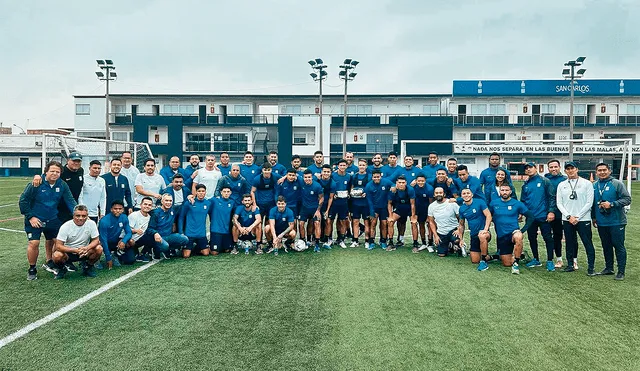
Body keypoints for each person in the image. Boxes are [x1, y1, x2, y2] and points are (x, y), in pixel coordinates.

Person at [19, 161, 77, 280]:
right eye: (52, 171)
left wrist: (78, 214)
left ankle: (54, 262)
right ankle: (32, 269)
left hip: (52, 218)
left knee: (59, 243)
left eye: (57, 172)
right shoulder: (37, 183)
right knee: (34, 243)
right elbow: (23, 201)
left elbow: (70, 201)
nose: (55, 174)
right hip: (35, 218)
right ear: (46, 172)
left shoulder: (62, 185)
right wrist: (31, 217)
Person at [592, 163, 631, 280]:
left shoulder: (616, 183)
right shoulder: (594, 185)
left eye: (604, 170)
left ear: (609, 171)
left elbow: (627, 199)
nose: (602, 172)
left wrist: (612, 204)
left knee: (618, 246)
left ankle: (621, 271)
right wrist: (594, 217)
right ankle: (609, 268)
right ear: (596, 172)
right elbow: (593, 204)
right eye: (599, 170)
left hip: (616, 221)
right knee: (606, 245)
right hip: (601, 222)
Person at [556, 161, 596, 274]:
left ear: (577, 169)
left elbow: (589, 202)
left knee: (587, 242)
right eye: (568, 169)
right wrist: (569, 216)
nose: (570, 171)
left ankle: (591, 267)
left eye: (572, 168)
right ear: (565, 171)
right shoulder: (561, 185)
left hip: (583, 219)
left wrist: (578, 216)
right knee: (569, 242)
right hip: (567, 219)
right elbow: (559, 203)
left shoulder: (587, 183)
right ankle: (570, 265)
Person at [520, 162, 557, 271]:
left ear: (536, 168)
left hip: (543, 216)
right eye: (526, 168)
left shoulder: (544, 181)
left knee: (548, 238)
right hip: (531, 217)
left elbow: (551, 197)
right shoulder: (525, 184)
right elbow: (523, 201)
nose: (528, 170)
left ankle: (550, 260)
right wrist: (522, 213)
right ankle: (536, 259)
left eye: (530, 167)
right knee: (532, 238)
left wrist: (551, 211)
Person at [490, 184, 534, 274]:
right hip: (502, 236)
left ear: (510, 191)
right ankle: (521, 255)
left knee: (518, 236)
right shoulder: (494, 203)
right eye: (502, 190)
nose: (504, 192)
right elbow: (488, 216)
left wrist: (522, 230)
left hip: (513, 233)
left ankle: (516, 264)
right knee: (507, 263)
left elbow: (531, 217)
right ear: (499, 192)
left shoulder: (517, 204)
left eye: (507, 190)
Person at [52, 205, 102, 279]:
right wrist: (75, 250)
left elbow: (96, 240)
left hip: (84, 251)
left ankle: (88, 267)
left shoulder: (91, 224)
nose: (81, 218)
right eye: (78, 216)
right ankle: (62, 269)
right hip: (68, 252)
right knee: (57, 256)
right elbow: (58, 246)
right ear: (73, 215)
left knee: (99, 249)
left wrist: (87, 248)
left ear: (87, 216)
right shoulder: (65, 226)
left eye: (83, 216)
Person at [33, 152, 84, 223]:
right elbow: (47, 176)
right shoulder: (61, 171)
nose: (76, 163)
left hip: (72, 205)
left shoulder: (81, 170)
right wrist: (37, 176)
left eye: (78, 161)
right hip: (59, 208)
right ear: (68, 160)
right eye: (74, 161)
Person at [458, 188, 492, 271]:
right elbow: (461, 225)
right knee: (474, 260)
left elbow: (488, 215)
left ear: (472, 194)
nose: (466, 195)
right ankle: (490, 257)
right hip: (473, 235)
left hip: (484, 233)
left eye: (468, 193)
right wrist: (461, 239)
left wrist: (485, 229)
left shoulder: (480, 202)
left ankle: (484, 262)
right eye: (464, 194)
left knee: (482, 236)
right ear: (461, 196)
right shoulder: (462, 209)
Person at [147, 193, 188, 259]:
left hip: (169, 236)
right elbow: (149, 228)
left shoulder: (173, 210)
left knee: (184, 239)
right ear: (162, 201)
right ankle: (155, 249)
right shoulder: (156, 213)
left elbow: (183, 205)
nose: (168, 202)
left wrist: (189, 197)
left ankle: (167, 249)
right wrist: (155, 233)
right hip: (159, 237)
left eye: (170, 201)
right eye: (166, 200)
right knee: (165, 246)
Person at [545, 159, 567, 268]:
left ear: (559, 167)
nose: (553, 169)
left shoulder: (564, 180)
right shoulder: (545, 179)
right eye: (551, 167)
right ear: (548, 168)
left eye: (555, 167)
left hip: (560, 213)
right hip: (547, 212)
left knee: (558, 236)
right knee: (549, 237)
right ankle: (551, 259)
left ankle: (561, 259)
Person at [178, 184, 211, 258]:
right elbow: (181, 217)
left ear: (205, 192)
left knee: (206, 253)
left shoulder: (208, 203)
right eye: (199, 191)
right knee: (186, 255)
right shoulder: (189, 203)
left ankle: (195, 247)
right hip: (190, 233)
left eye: (203, 191)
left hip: (201, 233)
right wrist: (181, 232)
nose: (201, 193)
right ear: (195, 192)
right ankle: (188, 247)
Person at [98, 200, 134, 268]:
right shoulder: (104, 221)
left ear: (123, 209)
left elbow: (129, 233)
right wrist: (108, 258)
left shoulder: (124, 217)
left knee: (130, 259)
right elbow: (103, 240)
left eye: (120, 209)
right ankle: (96, 260)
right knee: (99, 244)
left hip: (115, 242)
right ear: (111, 209)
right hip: (104, 242)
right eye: (115, 209)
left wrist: (123, 241)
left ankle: (115, 255)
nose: (117, 211)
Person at [428, 187, 462, 257]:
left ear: (444, 194)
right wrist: (436, 235)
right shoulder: (431, 206)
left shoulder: (452, 203)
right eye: (436, 193)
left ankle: (457, 244)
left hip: (453, 230)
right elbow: (431, 222)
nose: (438, 194)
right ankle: (449, 245)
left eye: (440, 193)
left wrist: (459, 229)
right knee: (441, 254)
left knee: (456, 240)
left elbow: (461, 218)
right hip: (441, 232)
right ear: (434, 195)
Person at [365, 169, 394, 250]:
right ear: (372, 177)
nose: (376, 178)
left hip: (384, 207)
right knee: (373, 223)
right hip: (374, 208)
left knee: (384, 224)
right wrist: (372, 212)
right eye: (374, 177)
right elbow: (369, 200)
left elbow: (393, 185)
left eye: (378, 177)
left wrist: (393, 187)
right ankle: (371, 242)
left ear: (381, 176)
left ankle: (383, 241)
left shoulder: (386, 182)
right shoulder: (368, 186)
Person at [387, 176, 418, 251]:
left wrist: (413, 216)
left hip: (409, 209)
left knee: (414, 223)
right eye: (399, 182)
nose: (401, 184)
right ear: (396, 183)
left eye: (403, 183)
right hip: (399, 209)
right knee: (390, 222)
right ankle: (391, 243)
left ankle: (415, 244)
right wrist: (390, 216)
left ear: (406, 183)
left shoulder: (410, 190)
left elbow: (412, 204)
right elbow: (389, 203)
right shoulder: (393, 190)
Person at [298, 170, 324, 252]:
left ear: (312, 177)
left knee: (317, 223)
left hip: (314, 209)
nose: (307, 179)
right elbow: (293, 174)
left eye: (309, 177)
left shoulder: (317, 186)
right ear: (303, 178)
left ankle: (317, 243)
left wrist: (318, 210)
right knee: (301, 224)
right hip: (304, 208)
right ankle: (303, 241)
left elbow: (321, 198)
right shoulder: (301, 182)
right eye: (305, 177)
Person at [330, 160, 352, 248]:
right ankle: (329, 239)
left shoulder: (349, 176)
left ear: (346, 166)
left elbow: (350, 186)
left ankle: (341, 239)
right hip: (334, 202)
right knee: (330, 221)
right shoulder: (333, 175)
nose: (342, 167)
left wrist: (349, 193)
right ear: (338, 166)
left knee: (342, 220)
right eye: (341, 165)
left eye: (344, 165)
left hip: (344, 202)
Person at [350, 159, 370, 248]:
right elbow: (352, 187)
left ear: (366, 166)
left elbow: (370, 188)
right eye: (360, 165)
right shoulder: (354, 176)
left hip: (366, 203)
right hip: (356, 203)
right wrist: (352, 192)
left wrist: (366, 193)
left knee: (366, 222)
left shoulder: (369, 177)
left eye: (363, 165)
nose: (361, 166)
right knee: (355, 221)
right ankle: (355, 240)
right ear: (358, 166)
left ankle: (367, 240)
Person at [209, 186, 235, 254]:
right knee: (215, 252)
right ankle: (206, 246)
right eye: (224, 192)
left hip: (226, 231)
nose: (226, 193)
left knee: (227, 250)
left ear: (230, 193)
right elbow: (203, 202)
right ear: (221, 192)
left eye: (228, 192)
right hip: (216, 230)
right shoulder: (214, 200)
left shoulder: (232, 202)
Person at [127, 197, 155, 262]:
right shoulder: (134, 215)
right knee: (129, 261)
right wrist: (135, 231)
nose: (147, 206)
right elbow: (126, 230)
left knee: (152, 234)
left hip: (140, 240)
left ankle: (144, 253)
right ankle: (123, 253)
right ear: (140, 205)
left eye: (149, 205)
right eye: (145, 204)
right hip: (129, 241)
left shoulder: (150, 217)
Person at [413, 174, 435, 252]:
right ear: (416, 181)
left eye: (422, 181)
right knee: (421, 225)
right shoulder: (414, 187)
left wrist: (429, 216)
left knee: (429, 225)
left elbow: (431, 203)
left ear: (425, 181)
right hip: (419, 209)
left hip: (428, 209)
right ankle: (423, 243)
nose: (420, 182)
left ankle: (430, 243)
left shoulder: (429, 189)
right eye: (419, 181)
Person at [317, 165, 336, 248]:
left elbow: (331, 198)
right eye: (324, 171)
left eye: (328, 172)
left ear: (330, 173)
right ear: (321, 172)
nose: (326, 173)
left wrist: (327, 210)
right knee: (316, 222)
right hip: (318, 205)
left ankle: (327, 239)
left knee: (328, 221)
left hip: (328, 205)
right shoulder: (317, 181)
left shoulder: (332, 183)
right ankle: (315, 239)